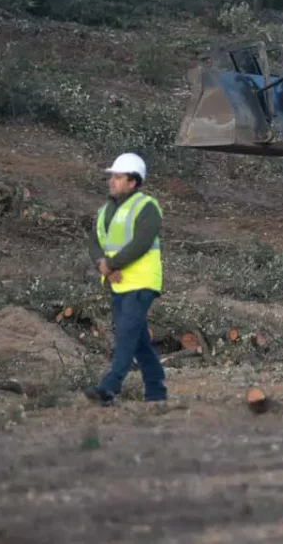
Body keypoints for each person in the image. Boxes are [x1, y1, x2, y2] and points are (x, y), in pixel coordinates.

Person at [84, 152, 166, 405]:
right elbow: (95, 240)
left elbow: (141, 243)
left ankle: (110, 387)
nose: (112, 181)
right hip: (117, 282)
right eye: (112, 177)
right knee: (139, 340)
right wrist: (103, 264)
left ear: (133, 182)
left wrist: (111, 264)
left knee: (126, 337)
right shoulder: (105, 210)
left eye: (118, 177)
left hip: (142, 283)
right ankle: (156, 391)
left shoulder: (147, 207)